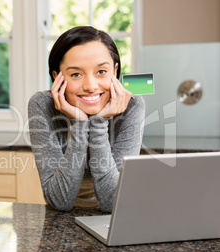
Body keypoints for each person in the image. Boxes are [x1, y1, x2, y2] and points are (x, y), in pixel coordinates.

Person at [28, 26, 145, 212]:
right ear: (57, 77)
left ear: (115, 71)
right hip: (61, 225)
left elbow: (113, 203)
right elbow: (60, 201)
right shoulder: (42, 105)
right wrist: (80, 125)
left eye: (101, 72)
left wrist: (98, 124)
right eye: (76, 74)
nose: (90, 86)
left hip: (113, 221)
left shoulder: (132, 106)